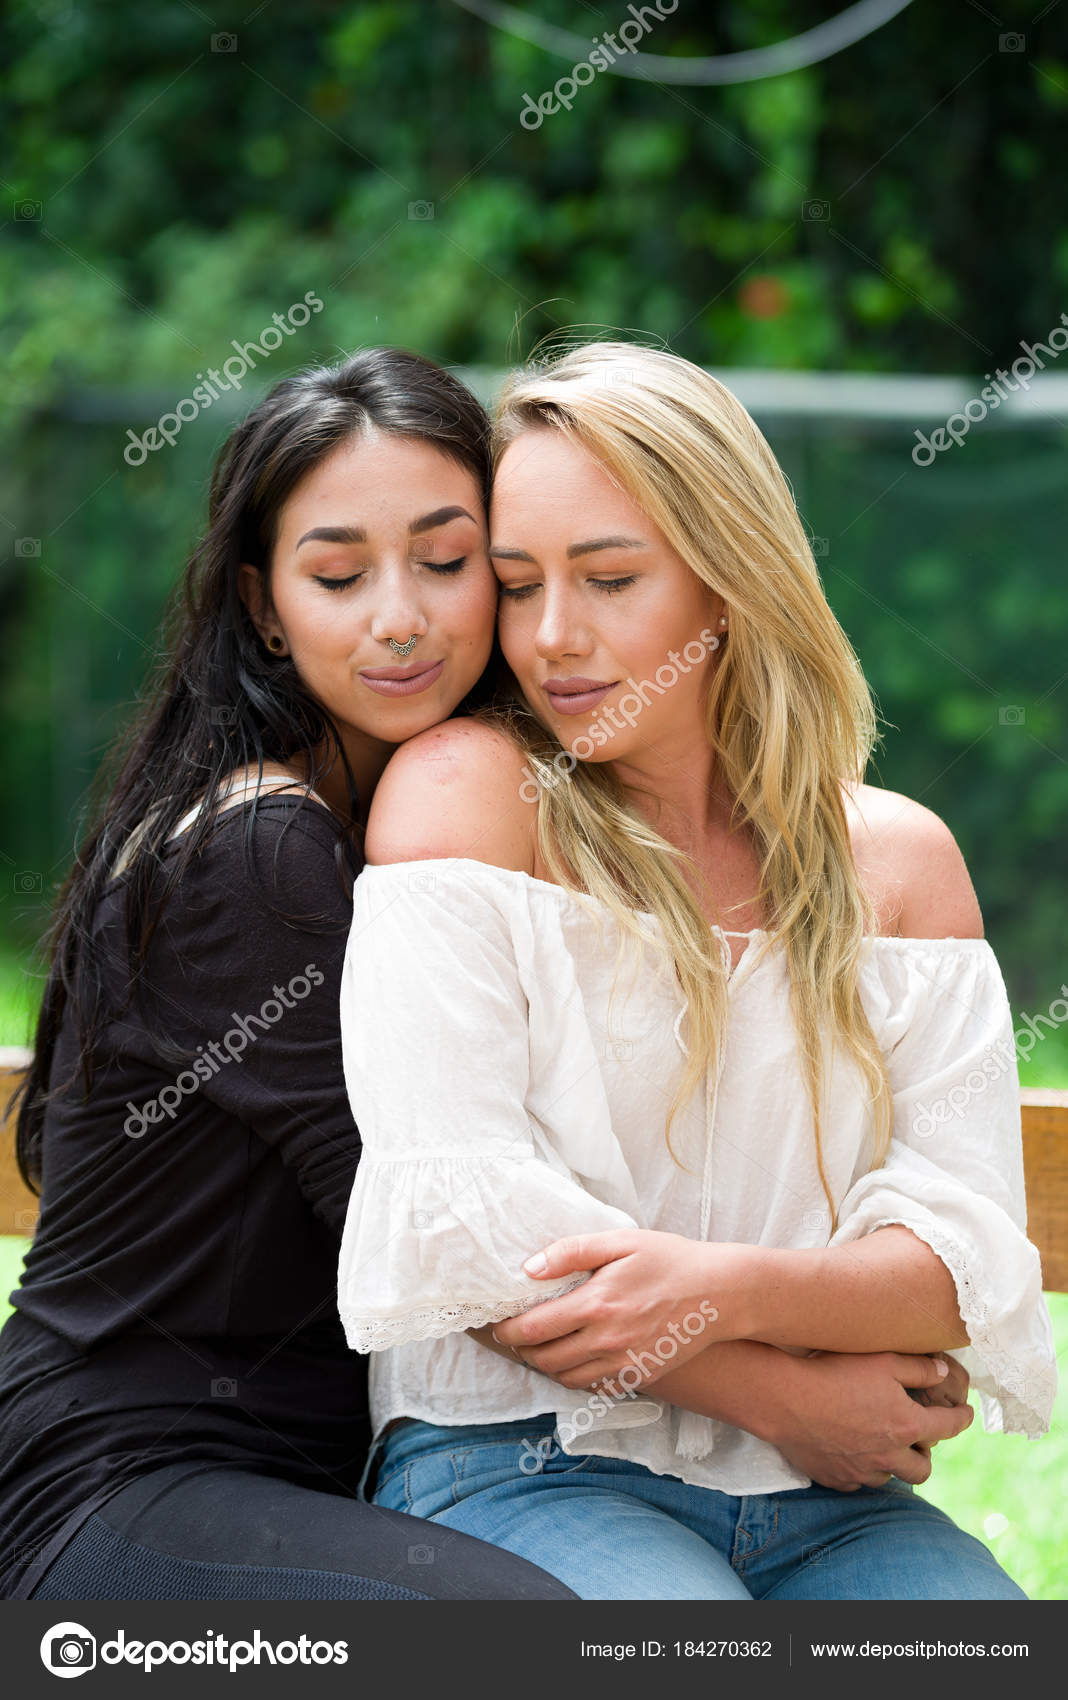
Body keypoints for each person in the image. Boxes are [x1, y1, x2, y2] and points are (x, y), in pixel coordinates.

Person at [335, 341, 1057, 1601]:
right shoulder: (470, 795)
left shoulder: (897, 863)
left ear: (730, 583)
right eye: (516, 585)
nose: (554, 637)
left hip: (835, 1500)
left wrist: (726, 1286)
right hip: (521, 1460)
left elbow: (959, 1260)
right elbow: (464, 1221)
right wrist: (786, 1372)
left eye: (612, 578)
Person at [0, 347, 578, 1601]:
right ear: (264, 606)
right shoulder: (258, 847)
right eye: (337, 573)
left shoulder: (423, 828)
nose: (399, 616)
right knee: (523, 1631)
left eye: (445, 557)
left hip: (304, 1480)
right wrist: (790, 1385)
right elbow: (448, 1244)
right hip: (119, 1482)